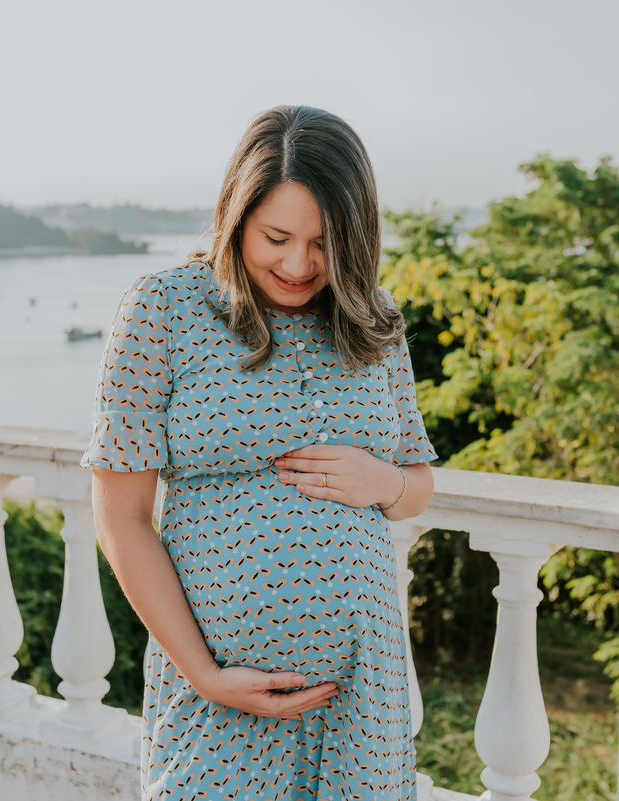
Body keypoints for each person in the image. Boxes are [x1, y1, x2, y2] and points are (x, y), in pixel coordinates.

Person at [85, 105, 437, 801]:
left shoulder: (374, 318)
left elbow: (418, 483)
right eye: (276, 236)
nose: (299, 264)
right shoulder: (165, 309)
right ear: (236, 215)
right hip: (218, 691)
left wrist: (383, 480)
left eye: (325, 242)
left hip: (362, 693)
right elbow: (120, 520)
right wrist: (204, 673)